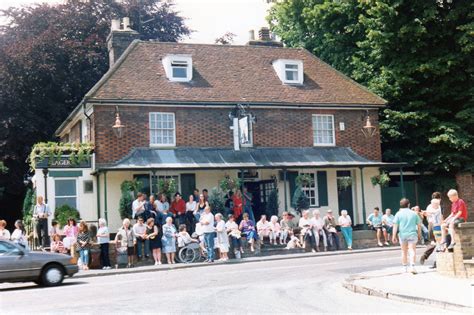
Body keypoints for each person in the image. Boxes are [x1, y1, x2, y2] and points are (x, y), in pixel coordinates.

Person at [392, 198, 421, 274]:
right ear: (408, 205)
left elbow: (395, 225)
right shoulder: (414, 213)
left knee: (404, 251)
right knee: (412, 250)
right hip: (412, 234)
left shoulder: (398, 214)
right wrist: (419, 234)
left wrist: (393, 236)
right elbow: (419, 225)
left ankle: (404, 268)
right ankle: (412, 266)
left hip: (402, 235)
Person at [420, 197, 443, 267]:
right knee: (436, 244)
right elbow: (429, 215)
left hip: (436, 226)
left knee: (436, 244)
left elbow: (432, 213)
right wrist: (425, 213)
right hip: (433, 225)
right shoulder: (431, 206)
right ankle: (435, 262)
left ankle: (434, 261)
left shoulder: (438, 208)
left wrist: (425, 212)